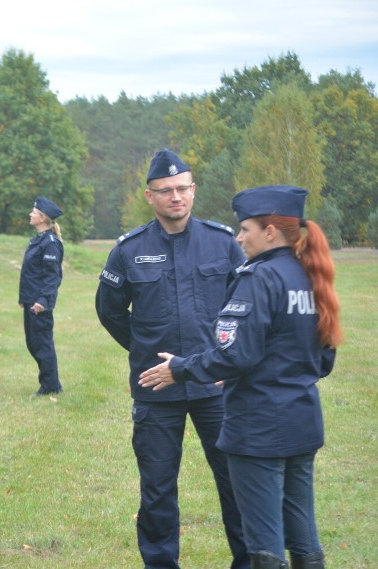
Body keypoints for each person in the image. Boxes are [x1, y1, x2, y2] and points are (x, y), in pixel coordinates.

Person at [139, 185, 341, 569]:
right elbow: (322, 361)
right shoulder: (310, 275)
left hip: (259, 428)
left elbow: (237, 354)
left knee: (263, 543)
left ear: (270, 231)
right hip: (302, 421)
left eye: (245, 228)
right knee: (303, 535)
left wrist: (179, 368)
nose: (239, 237)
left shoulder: (259, 278)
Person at [96, 149, 249, 569]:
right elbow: (109, 310)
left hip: (215, 386)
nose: (175, 197)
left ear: (193, 190)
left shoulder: (223, 243)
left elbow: (246, 307)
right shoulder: (129, 250)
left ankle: (250, 561)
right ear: (150, 196)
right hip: (155, 389)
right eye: (165, 191)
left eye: (182, 188)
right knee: (158, 489)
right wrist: (142, 348)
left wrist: (225, 359)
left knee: (237, 483)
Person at [19, 197, 65, 395]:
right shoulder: (38, 240)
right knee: (32, 343)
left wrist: (43, 300)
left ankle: (50, 386)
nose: (30, 214)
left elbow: (52, 277)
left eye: (34, 212)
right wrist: (26, 298)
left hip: (40, 303)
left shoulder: (51, 244)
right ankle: (50, 383)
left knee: (42, 343)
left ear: (43, 217)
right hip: (31, 300)